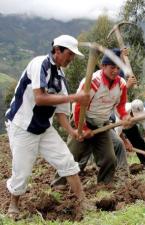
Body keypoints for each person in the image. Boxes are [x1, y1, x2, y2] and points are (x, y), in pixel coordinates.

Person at [5, 35, 91, 218]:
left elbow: (61, 111)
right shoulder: (39, 64)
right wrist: (75, 97)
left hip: (44, 128)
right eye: (69, 54)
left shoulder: (60, 76)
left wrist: (72, 131)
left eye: (73, 55)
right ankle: (13, 205)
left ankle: (83, 200)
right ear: (57, 50)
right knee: (22, 171)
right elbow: (40, 98)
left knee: (67, 160)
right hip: (22, 126)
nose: (71, 58)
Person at [51, 48, 131, 188]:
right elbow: (77, 107)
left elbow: (121, 105)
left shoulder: (121, 84)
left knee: (110, 158)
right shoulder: (93, 82)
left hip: (102, 124)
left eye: (118, 68)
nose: (115, 71)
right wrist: (83, 128)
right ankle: (58, 185)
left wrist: (125, 116)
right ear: (103, 66)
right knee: (72, 156)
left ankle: (104, 184)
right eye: (112, 67)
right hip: (82, 121)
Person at [115, 99, 145, 168]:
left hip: (131, 126)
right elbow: (118, 133)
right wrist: (125, 143)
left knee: (139, 142)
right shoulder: (122, 112)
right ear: (131, 111)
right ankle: (121, 168)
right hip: (118, 127)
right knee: (119, 145)